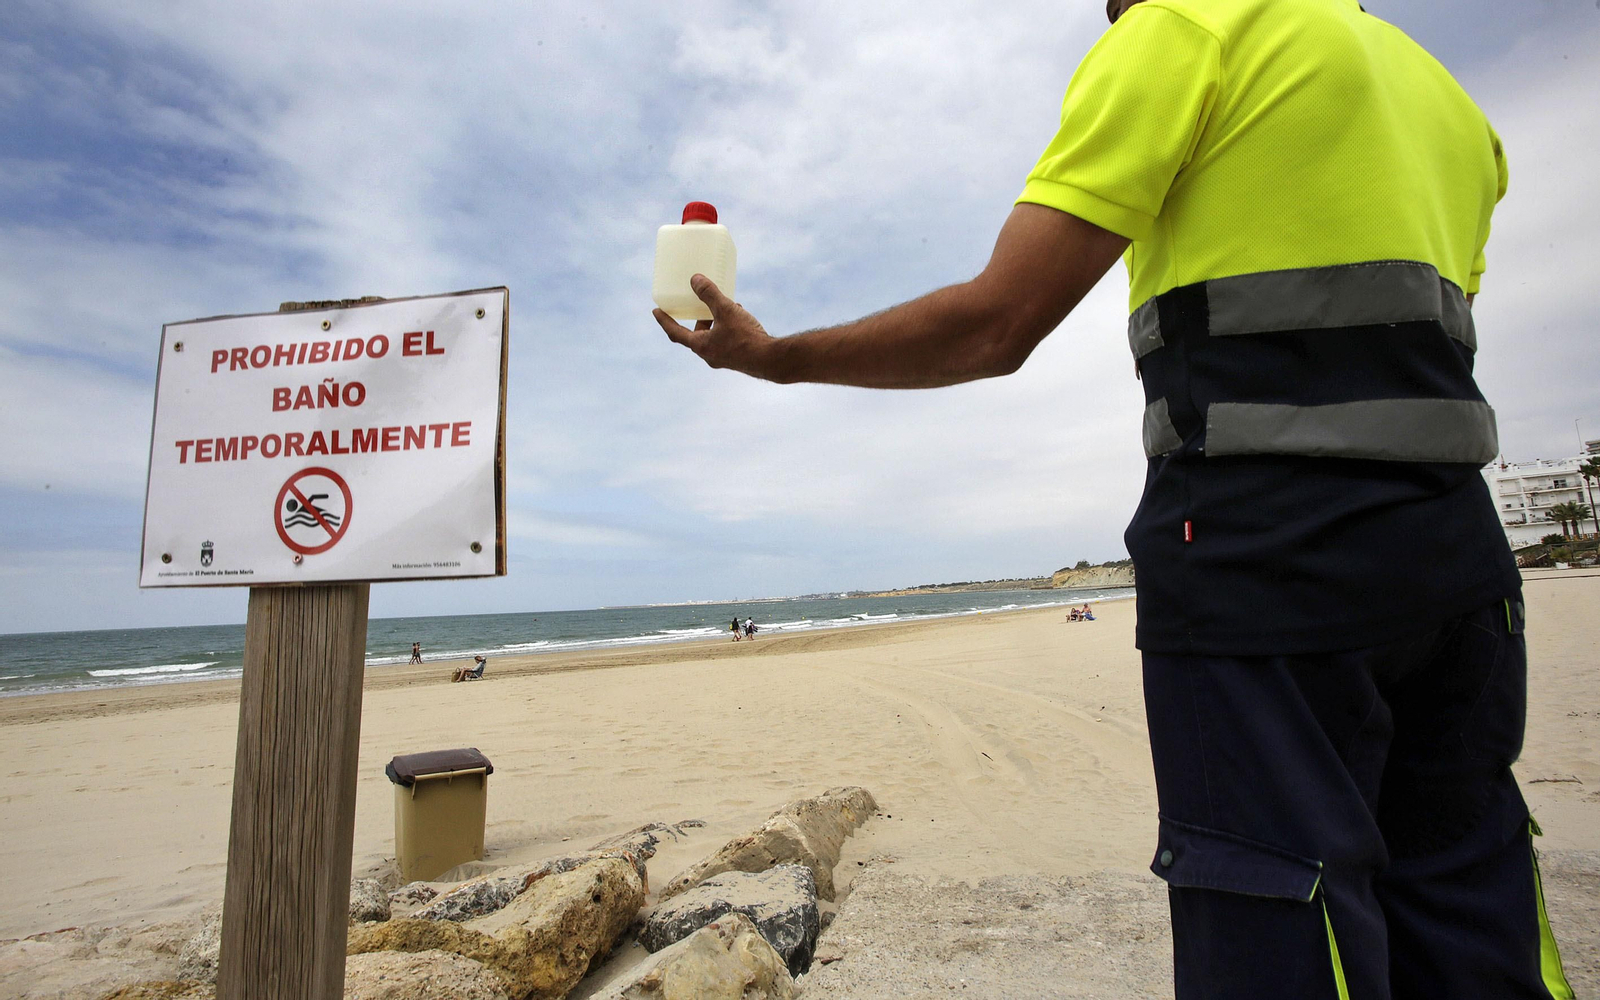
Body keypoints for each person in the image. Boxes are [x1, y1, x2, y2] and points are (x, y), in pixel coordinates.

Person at [654, 1, 1572, 996]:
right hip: (1460, 558)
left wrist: (776, 358)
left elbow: (996, 323)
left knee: (1280, 910)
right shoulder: (1445, 99)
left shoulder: (1186, 30)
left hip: (1265, 552)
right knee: (1465, 898)